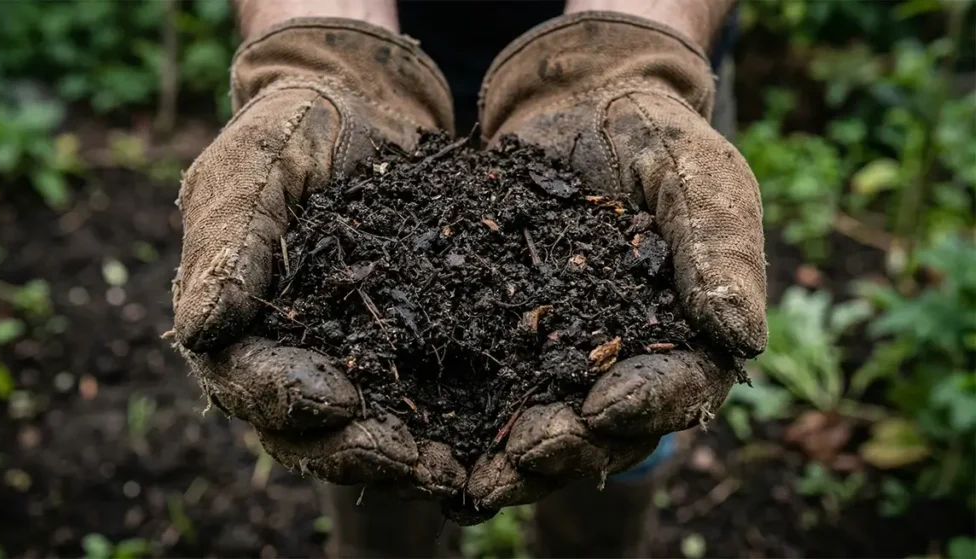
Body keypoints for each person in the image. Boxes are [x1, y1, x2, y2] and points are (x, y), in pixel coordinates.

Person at [171, 0, 767, 556]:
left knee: (632, 401)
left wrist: (630, 54)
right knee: (355, 433)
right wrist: (323, 48)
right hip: (373, 84)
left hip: (629, 68)